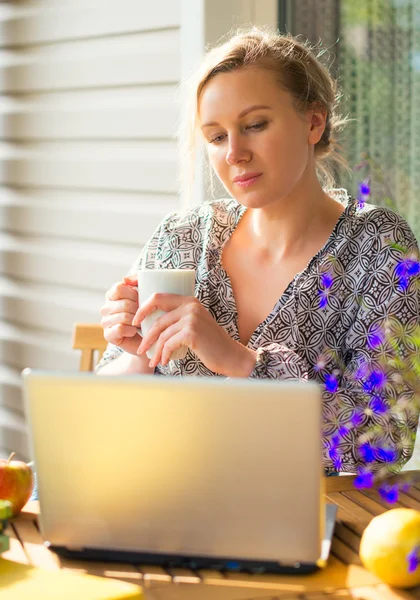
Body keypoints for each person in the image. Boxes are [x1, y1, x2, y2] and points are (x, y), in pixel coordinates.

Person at [97, 28, 420, 478]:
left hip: (302, 524)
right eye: (215, 137)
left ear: (313, 122)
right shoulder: (182, 237)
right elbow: (101, 421)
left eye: (254, 125)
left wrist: (242, 363)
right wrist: (138, 354)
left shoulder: (380, 247)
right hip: (164, 502)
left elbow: (387, 438)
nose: (235, 154)